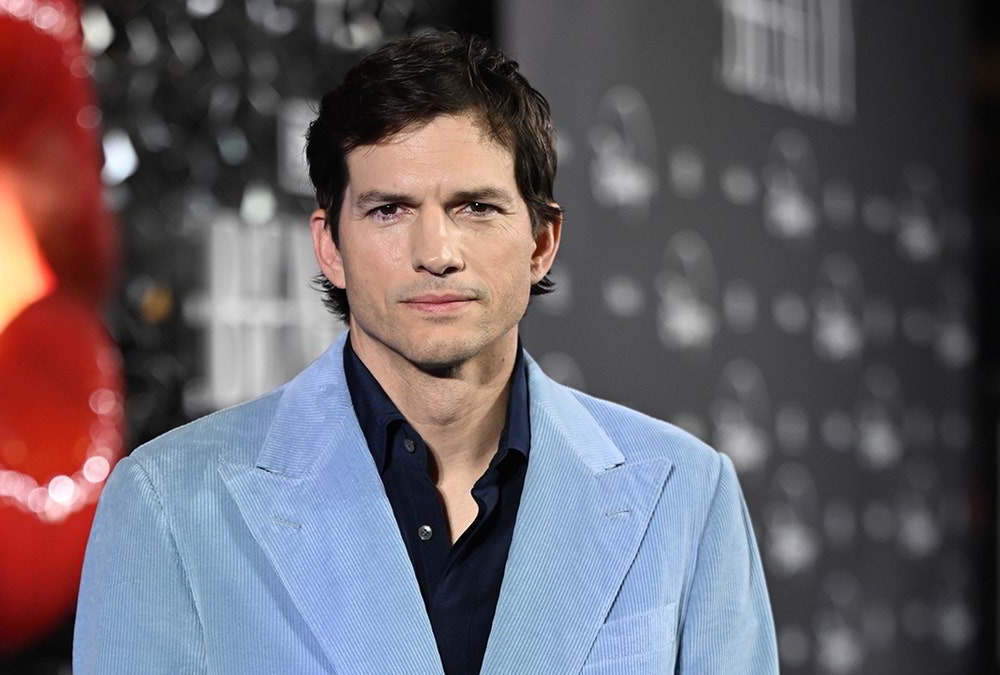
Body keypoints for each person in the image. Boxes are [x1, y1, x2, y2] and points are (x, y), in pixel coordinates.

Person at [73, 31, 778, 674]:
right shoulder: (168, 503)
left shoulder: (685, 493)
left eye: (476, 207)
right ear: (330, 246)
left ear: (541, 242)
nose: (435, 253)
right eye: (390, 210)